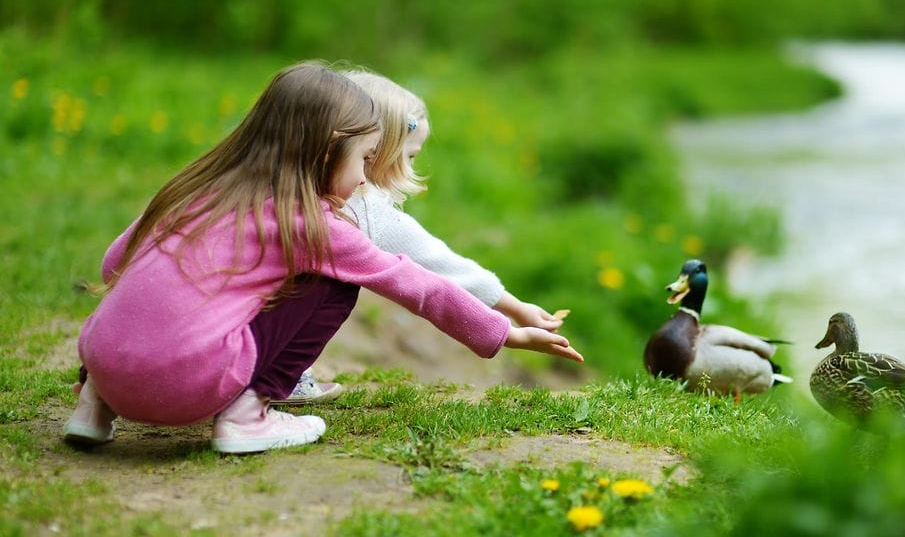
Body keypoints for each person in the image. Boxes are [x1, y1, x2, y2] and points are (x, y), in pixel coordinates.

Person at [63, 62, 582, 454]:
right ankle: (248, 414)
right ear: (328, 149)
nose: (363, 179)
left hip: (106, 369)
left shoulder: (198, 190)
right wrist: (502, 331)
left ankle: (92, 409)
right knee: (336, 283)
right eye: (362, 160)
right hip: (188, 389)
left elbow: (115, 262)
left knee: (138, 291)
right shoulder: (313, 224)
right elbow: (414, 282)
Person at [278, 70, 569, 405]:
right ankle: (284, 375)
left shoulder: (278, 184)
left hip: (234, 323)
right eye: (410, 156)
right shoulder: (367, 211)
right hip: (263, 333)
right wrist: (515, 311)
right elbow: (437, 267)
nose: (412, 169)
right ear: (375, 149)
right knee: (336, 290)